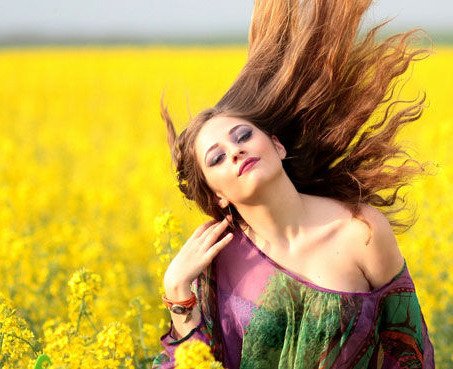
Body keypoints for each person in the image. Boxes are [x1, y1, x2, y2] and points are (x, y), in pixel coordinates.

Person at [153, 0, 436, 367]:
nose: (235, 151)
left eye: (242, 136)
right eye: (217, 157)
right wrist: (178, 291)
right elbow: (199, 363)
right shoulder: (217, 258)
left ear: (277, 144)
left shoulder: (360, 230)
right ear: (217, 195)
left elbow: (408, 351)